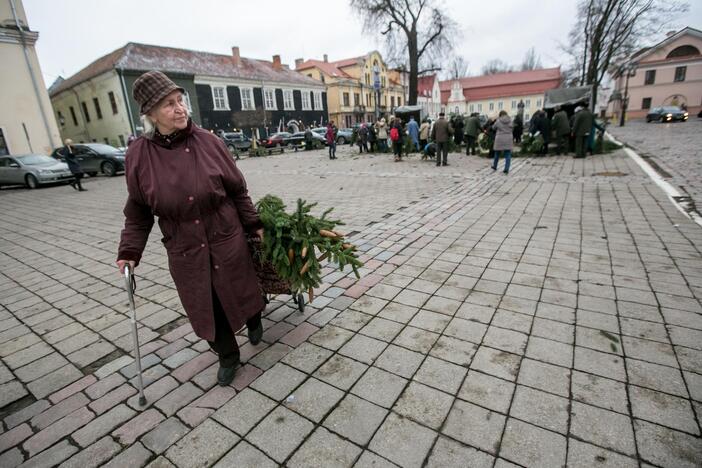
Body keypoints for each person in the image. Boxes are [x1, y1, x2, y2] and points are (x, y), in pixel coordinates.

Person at [116, 71, 264, 387]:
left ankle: (254, 320)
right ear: (150, 113)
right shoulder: (138, 156)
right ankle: (228, 356)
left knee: (241, 287)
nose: (180, 108)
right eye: (169, 104)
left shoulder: (210, 142)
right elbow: (139, 212)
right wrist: (129, 252)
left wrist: (253, 225)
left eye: (180, 101)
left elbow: (238, 191)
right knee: (206, 305)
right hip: (184, 246)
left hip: (224, 235)